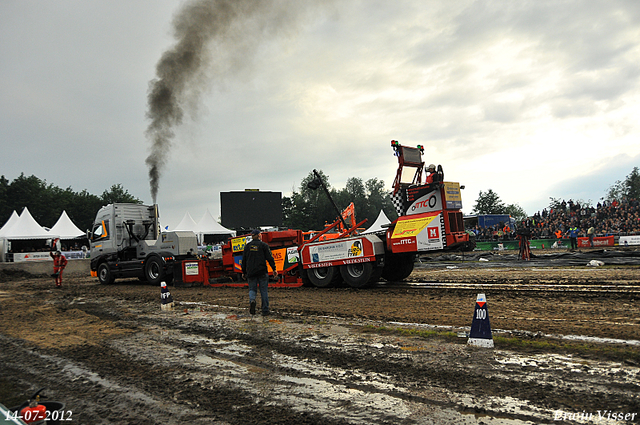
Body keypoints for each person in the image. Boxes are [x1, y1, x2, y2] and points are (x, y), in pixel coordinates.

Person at [242, 229, 278, 316]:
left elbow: (244, 260)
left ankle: (252, 301)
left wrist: (243, 272)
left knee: (252, 289)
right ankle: (265, 310)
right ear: (259, 235)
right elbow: (270, 258)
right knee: (264, 291)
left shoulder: (247, 246)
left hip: (251, 272)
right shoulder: (264, 245)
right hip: (262, 271)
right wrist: (274, 269)